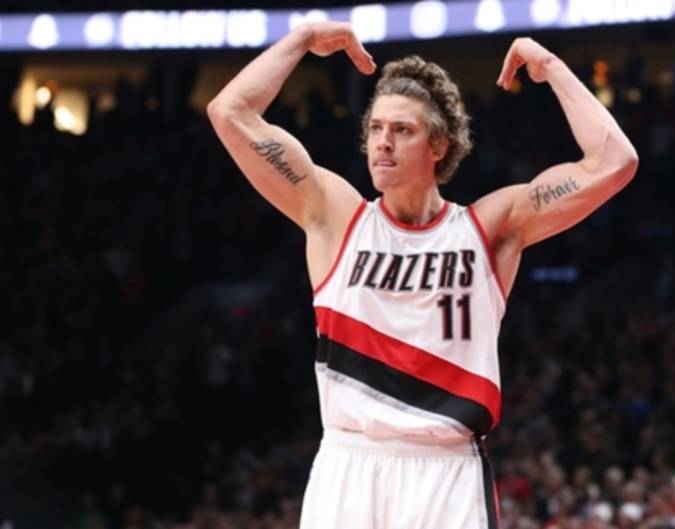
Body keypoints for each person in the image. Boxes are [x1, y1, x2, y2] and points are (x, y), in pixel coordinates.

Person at [207, 21, 637, 529]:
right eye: (375, 128)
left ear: (438, 146)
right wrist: (299, 40)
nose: (382, 143)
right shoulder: (335, 216)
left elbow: (614, 161)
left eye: (402, 130)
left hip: (447, 470)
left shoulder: (489, 229)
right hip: (349, 463)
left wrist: (551, 66)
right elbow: (230, 112)